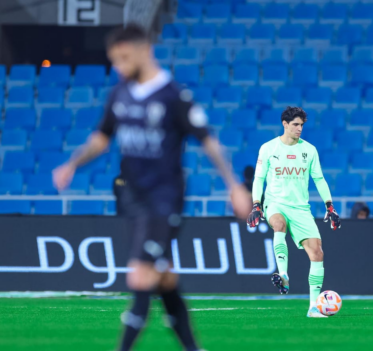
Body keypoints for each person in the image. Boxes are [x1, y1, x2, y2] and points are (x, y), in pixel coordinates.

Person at [52, 25, 251, 351]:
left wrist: (233, 186)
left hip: (164, 200)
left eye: (124, 58)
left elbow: (209, 142)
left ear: (146, 51)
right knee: (164, 279)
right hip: (134, 198)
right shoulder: (120, 94)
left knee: (139, 278)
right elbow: (101, 139)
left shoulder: (173, 96)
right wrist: (72, 164)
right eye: (114, 60)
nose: (119, 66)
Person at [247, 106, 341, 318]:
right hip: (275, 203)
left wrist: (330, 206)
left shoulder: (309, 150)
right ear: (285, 124)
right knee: (278, 224)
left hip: (301, 208)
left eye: (302, 125)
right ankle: (284, 274)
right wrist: (256, 204)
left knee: (317, 253)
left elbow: (319, 179)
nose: (300, 129)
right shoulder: (268, 148)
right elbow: (259, 179)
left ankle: (313, 308)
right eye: (296, 125)